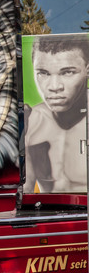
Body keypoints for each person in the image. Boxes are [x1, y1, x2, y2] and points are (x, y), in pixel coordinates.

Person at [25, 35, 89, 193]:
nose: (54, 87)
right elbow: (25, 190)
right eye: (43, 73)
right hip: (48, 214)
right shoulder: (31, 121)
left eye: (67, 72)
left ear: (87, 69)